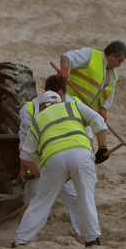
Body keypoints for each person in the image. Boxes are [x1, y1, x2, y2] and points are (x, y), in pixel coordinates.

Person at [13, 78, 109, 248]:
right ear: (60, 100)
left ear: (42, 106)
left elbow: (26, 156)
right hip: (81, 154)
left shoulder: (37, 119)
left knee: (41, 201)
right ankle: (92, 239)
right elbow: (99, 122)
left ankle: (21, 241)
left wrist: (40, 175)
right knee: (85, 197)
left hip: (53, 159)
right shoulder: (73, 106)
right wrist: (102, 148)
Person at [18, 74, 88, 240]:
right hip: (39, 158)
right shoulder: (30, 109)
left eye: (60, 95)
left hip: (68, 153)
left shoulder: (74, 104)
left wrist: (89, 155)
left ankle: (84, 233)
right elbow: (24, 143)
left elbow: (88, 132)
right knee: (34, 197)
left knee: (74, 196)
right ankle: (26, 237)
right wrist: (27, 169)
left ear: (64, 92)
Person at [58, 41, 126, 119]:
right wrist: (64, 68)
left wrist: (103, 109)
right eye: (120, 61)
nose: (119, 65)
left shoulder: (113, 77)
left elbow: (107, 100)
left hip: (86, 115)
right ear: (112, 56)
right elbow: (67, 57)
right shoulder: (90, 55)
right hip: (68, 103)